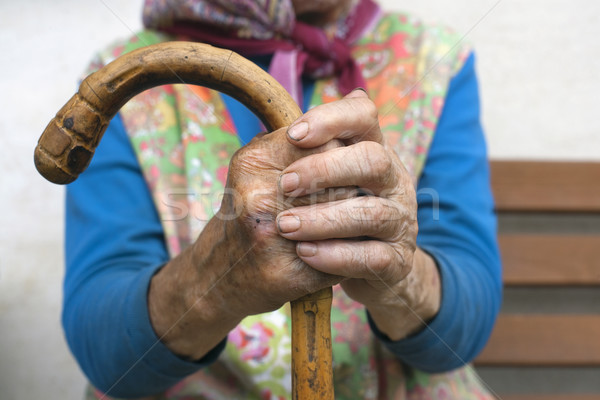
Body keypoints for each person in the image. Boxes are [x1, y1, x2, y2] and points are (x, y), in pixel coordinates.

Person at [63, 0, 502, 399]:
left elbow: (465, 324)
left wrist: (400, 276)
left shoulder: (434, 60)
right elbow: (107, 356)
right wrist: (210, 283)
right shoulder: (126, 76)